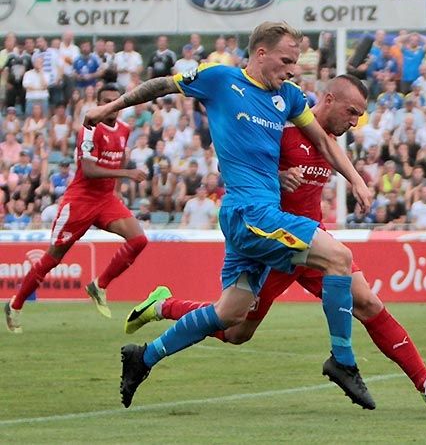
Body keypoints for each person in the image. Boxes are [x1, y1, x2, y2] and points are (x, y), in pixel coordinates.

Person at [83, 22, 374, 410]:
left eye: (295, 62)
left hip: (256, 217)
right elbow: (160, 85)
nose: (291, 70)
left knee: (231, 316)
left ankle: (143, 356)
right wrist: (109, 108)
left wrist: (355, 179)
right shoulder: (220, 79)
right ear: (260, 54)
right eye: (286, 61)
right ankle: (343, 361)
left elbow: (323, 139)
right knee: (339, 258)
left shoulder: (287, 96)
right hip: (248, 213)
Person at [125, 80, 426, 402]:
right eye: (351, 112)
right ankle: (163, 306)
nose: (354, 122)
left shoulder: (327, 141)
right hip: (273, 245)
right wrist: (277, 177)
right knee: (235, 331)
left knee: (367, 302)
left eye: (359, 115)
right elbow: (229, 164)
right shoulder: (282, 129)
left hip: (313, 241)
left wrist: (356, 180)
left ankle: (425, 382)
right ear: (328, 100)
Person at [5, 84, 148, 334]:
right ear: (98, 102)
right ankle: (15, 304)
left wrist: (116, 185)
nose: (112, 107)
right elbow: (89, 171)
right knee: (53, 258)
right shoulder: (90, 128)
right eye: (106, 101)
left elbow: (120, 156)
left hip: (106, 200)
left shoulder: (125, 129)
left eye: (116, 101)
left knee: (138, 240)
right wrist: (126, 173)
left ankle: (99, 285)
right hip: (80, 201)